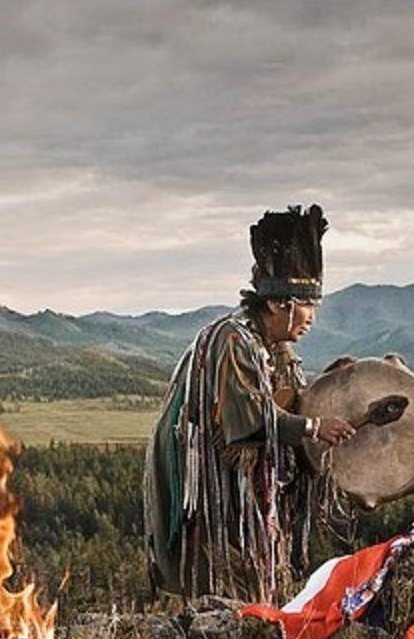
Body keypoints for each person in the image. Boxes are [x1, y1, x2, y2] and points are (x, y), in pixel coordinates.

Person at [143, 204, 354, 605]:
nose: (312, 318)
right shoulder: (232, 340)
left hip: (241, 491)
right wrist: (312, 428)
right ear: (278, 304)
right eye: (307, 306)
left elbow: (289, 400)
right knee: (220, 580)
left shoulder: (275, 348)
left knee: (249, 577)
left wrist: (333, 384)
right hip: (210, 489)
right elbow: (249, 421)